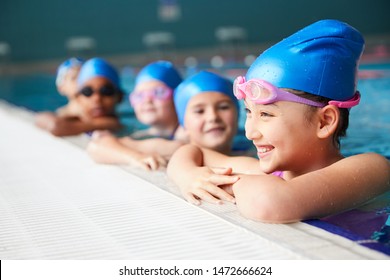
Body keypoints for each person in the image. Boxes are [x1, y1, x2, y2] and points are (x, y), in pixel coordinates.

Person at [167, 19, 390, 223]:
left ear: (324, 122)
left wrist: (224, 181)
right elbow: (192, 151)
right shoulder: (270, 173)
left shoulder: (372, 168)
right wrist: (189, 175)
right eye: (249, 113)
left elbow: (270, 204)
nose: (250, 132)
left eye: (265, 115)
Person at [86, 70, 239, 170]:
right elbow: (97, 146)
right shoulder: (176, 148)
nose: (212, 117)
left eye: (224, 107)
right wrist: (135, 157)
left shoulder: (248, 147)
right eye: (199, 111)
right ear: (183, 123)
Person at [35, 58, 123, 136]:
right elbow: (43, 120)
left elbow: (56, 126)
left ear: (119, 96)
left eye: (106, 91)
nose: (96, 98)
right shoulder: (67, 113)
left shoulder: (111, 122)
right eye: (87, 91)